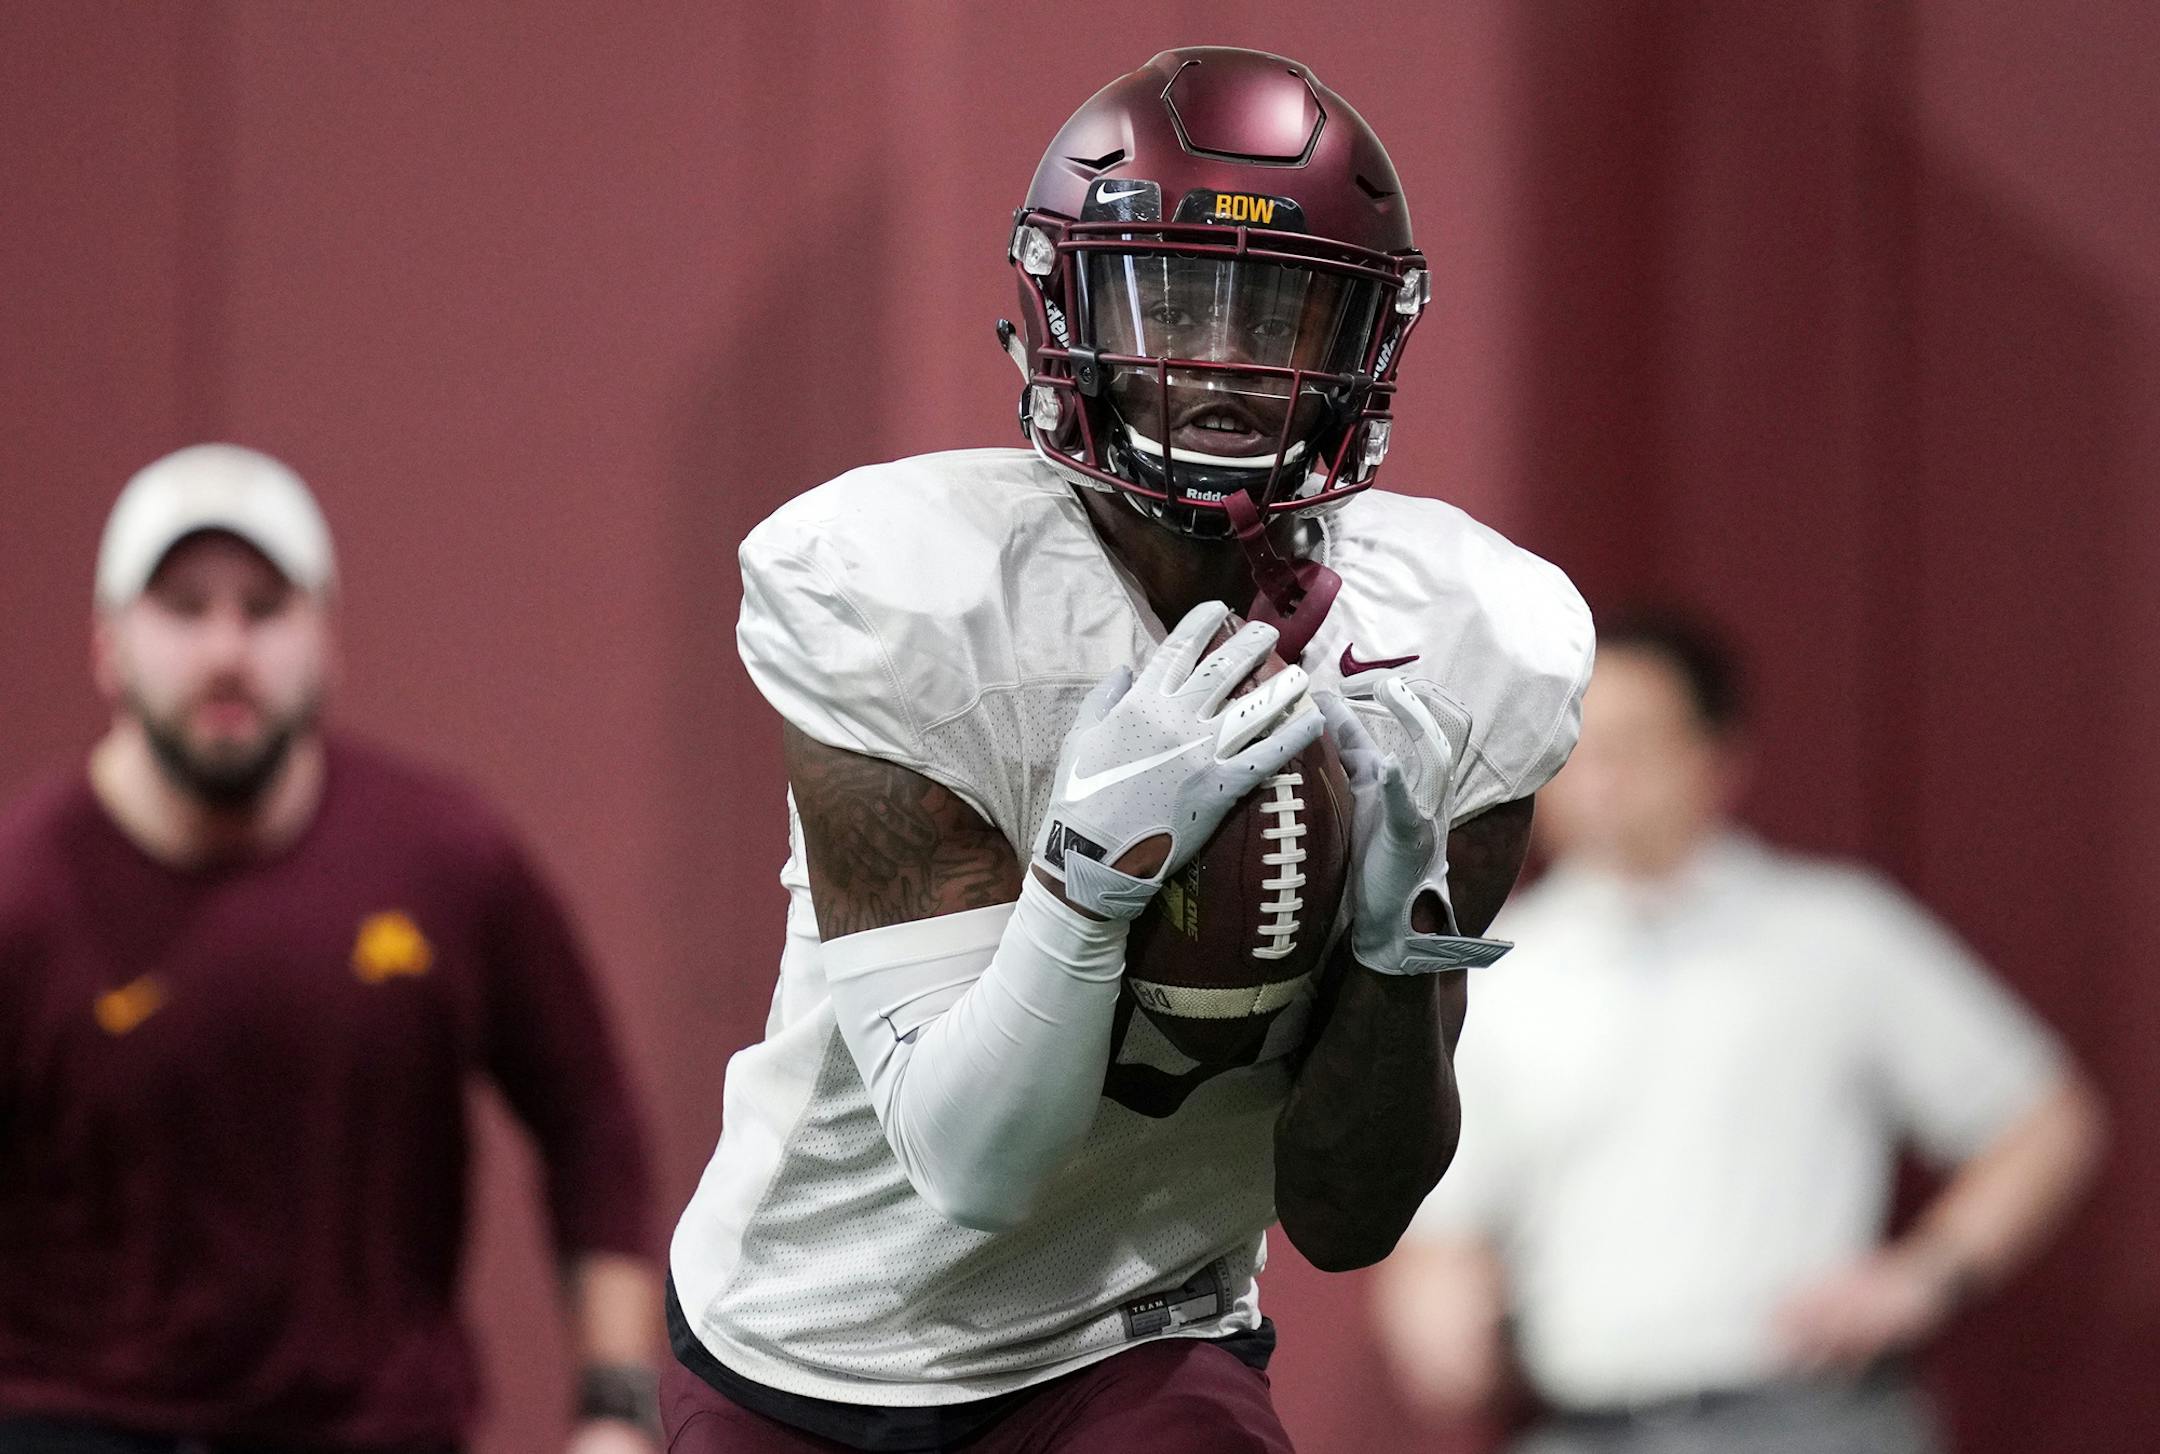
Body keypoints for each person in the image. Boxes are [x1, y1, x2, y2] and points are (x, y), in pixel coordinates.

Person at [663, 47, 1594, 1454]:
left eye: (1276, 308)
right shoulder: (911, 595)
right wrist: (1091, 878)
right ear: (1058, 310)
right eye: (1174, 292)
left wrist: (1401, 952)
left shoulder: (1460, 650)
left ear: (1360, 343)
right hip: (816, 1339)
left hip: (1137, 1328)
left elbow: (1352, 1212)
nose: (1219, 357)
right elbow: (973, 1164)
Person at [0, 444, 665, 1454]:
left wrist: (617, 1408)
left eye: (264, 608)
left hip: (373, 1429)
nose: (227, 650)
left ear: (327, 640)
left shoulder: (448, 858)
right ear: (107, 645)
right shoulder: (22, 892)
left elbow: (591, 1120)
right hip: (79, 1421)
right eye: (183, 608)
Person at [1373, 611, 2107, 1454]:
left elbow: (2042, 1120)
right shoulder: (1496, 971)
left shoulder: (1834, 935)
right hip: (1585, 1425)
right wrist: (1436, 1297)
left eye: (1634, 744)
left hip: (1806, 1416)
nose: (1599, 778)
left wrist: (1926, 1277)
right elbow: (1444, 1219)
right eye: (1574, 746)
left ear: (1718, 759)